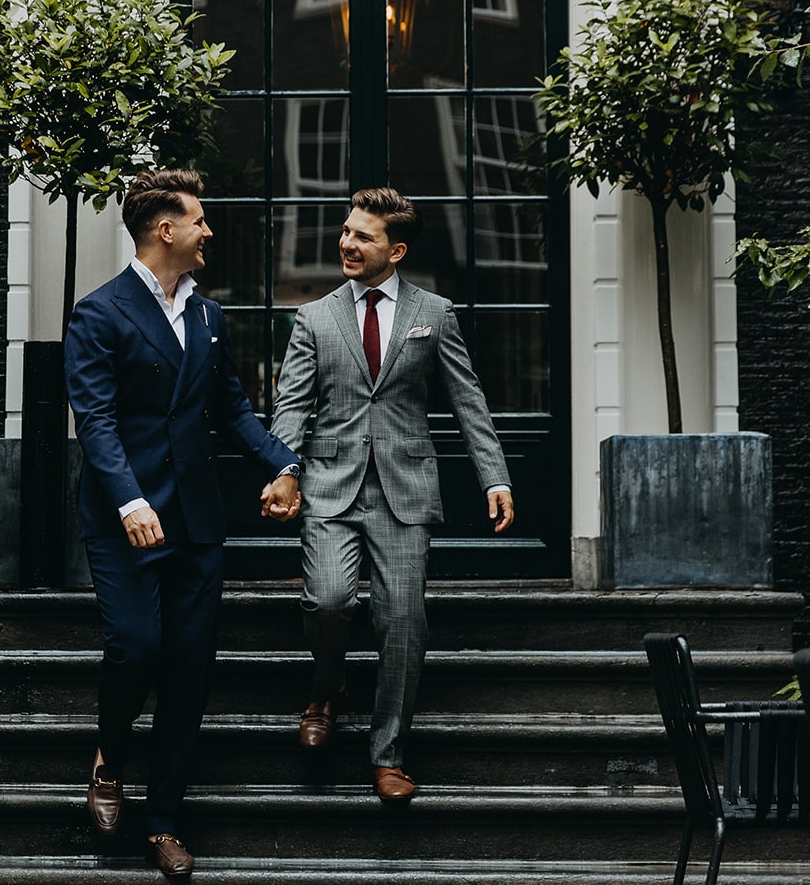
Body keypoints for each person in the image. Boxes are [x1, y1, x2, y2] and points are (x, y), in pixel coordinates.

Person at [65, 169, 301, 877]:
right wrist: (131, 500)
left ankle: (163, 819)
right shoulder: (98, 314)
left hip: (197, 520)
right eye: (198, 220)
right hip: (125, 518)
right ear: (165, 229)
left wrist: (281, 464)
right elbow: (97, 421)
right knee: (136, 646)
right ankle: (109, 758)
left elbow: (229, 408)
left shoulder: (209, 315)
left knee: (190, 671)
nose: (208, 231)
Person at [263, 186, 513, 802]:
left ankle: (389, 753)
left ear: (395, 250)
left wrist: (496, 476)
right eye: (346, 231)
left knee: (402, 620)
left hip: (404, 489)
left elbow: (468, 400)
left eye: (363, 236)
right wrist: (283, 469)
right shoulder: (315, 317)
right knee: (326, 602)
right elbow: (292, 404)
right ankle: (326, 689)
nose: (347, 243)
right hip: (330, 484)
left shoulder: (435, 313)